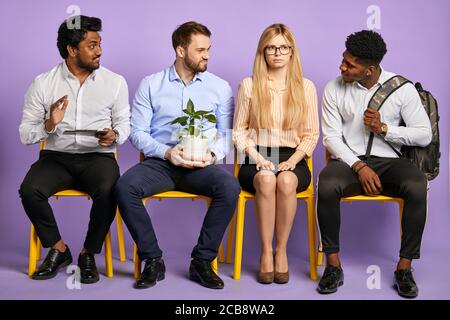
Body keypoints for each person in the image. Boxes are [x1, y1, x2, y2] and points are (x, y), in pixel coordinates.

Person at [115, 21, 240, 290]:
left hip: (202, 165)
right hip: (161, 164)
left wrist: (212, 153)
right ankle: (152, 259)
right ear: (180, 50)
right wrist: (167, 152)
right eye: (200, 50)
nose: (207, 55)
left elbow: (228, 133)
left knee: (230, 187)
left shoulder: (220, 87)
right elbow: (137, 132)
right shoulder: (151, 84)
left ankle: (202, 261)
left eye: (209, 49)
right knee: (125, 187)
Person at [317, 30, 431, 298]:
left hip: (390, 161)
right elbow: (331, 137)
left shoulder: (402, 89)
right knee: (327, 183)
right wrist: (358, 166)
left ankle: (404, 268)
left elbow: (423, 134)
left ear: (369, 70)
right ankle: (333, 266)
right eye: (343, 60)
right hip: (349, 160)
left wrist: (385, 128)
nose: (342, 67)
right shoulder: (335, 88)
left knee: (417, 185)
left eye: (350, 64)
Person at [19, 15, 130, 284]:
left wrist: (115, 135)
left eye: (100, 43)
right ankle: (58, 249)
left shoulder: (115, 82)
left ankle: (88, 253)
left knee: (108, 189)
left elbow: (125, 125)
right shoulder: (43, 83)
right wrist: (49, 123)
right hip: (56, 157)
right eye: (92, 45)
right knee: (29, 190)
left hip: (98, 157)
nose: (99, 50)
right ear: (72, 49)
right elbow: (25, 134)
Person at [233, 24, 319, 284]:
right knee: (268, 180)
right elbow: (238, 132)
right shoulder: (249, 85)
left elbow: (312, 134)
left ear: (292, 52)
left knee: (286, 180)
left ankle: (281, 250)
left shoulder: (306, 87)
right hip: (256, 155)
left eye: (283, 47)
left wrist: (292, 162)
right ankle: (265, 252)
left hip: (294, 156)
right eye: (271, 47)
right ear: (263, 52)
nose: (277, 53)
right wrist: (258, 159)